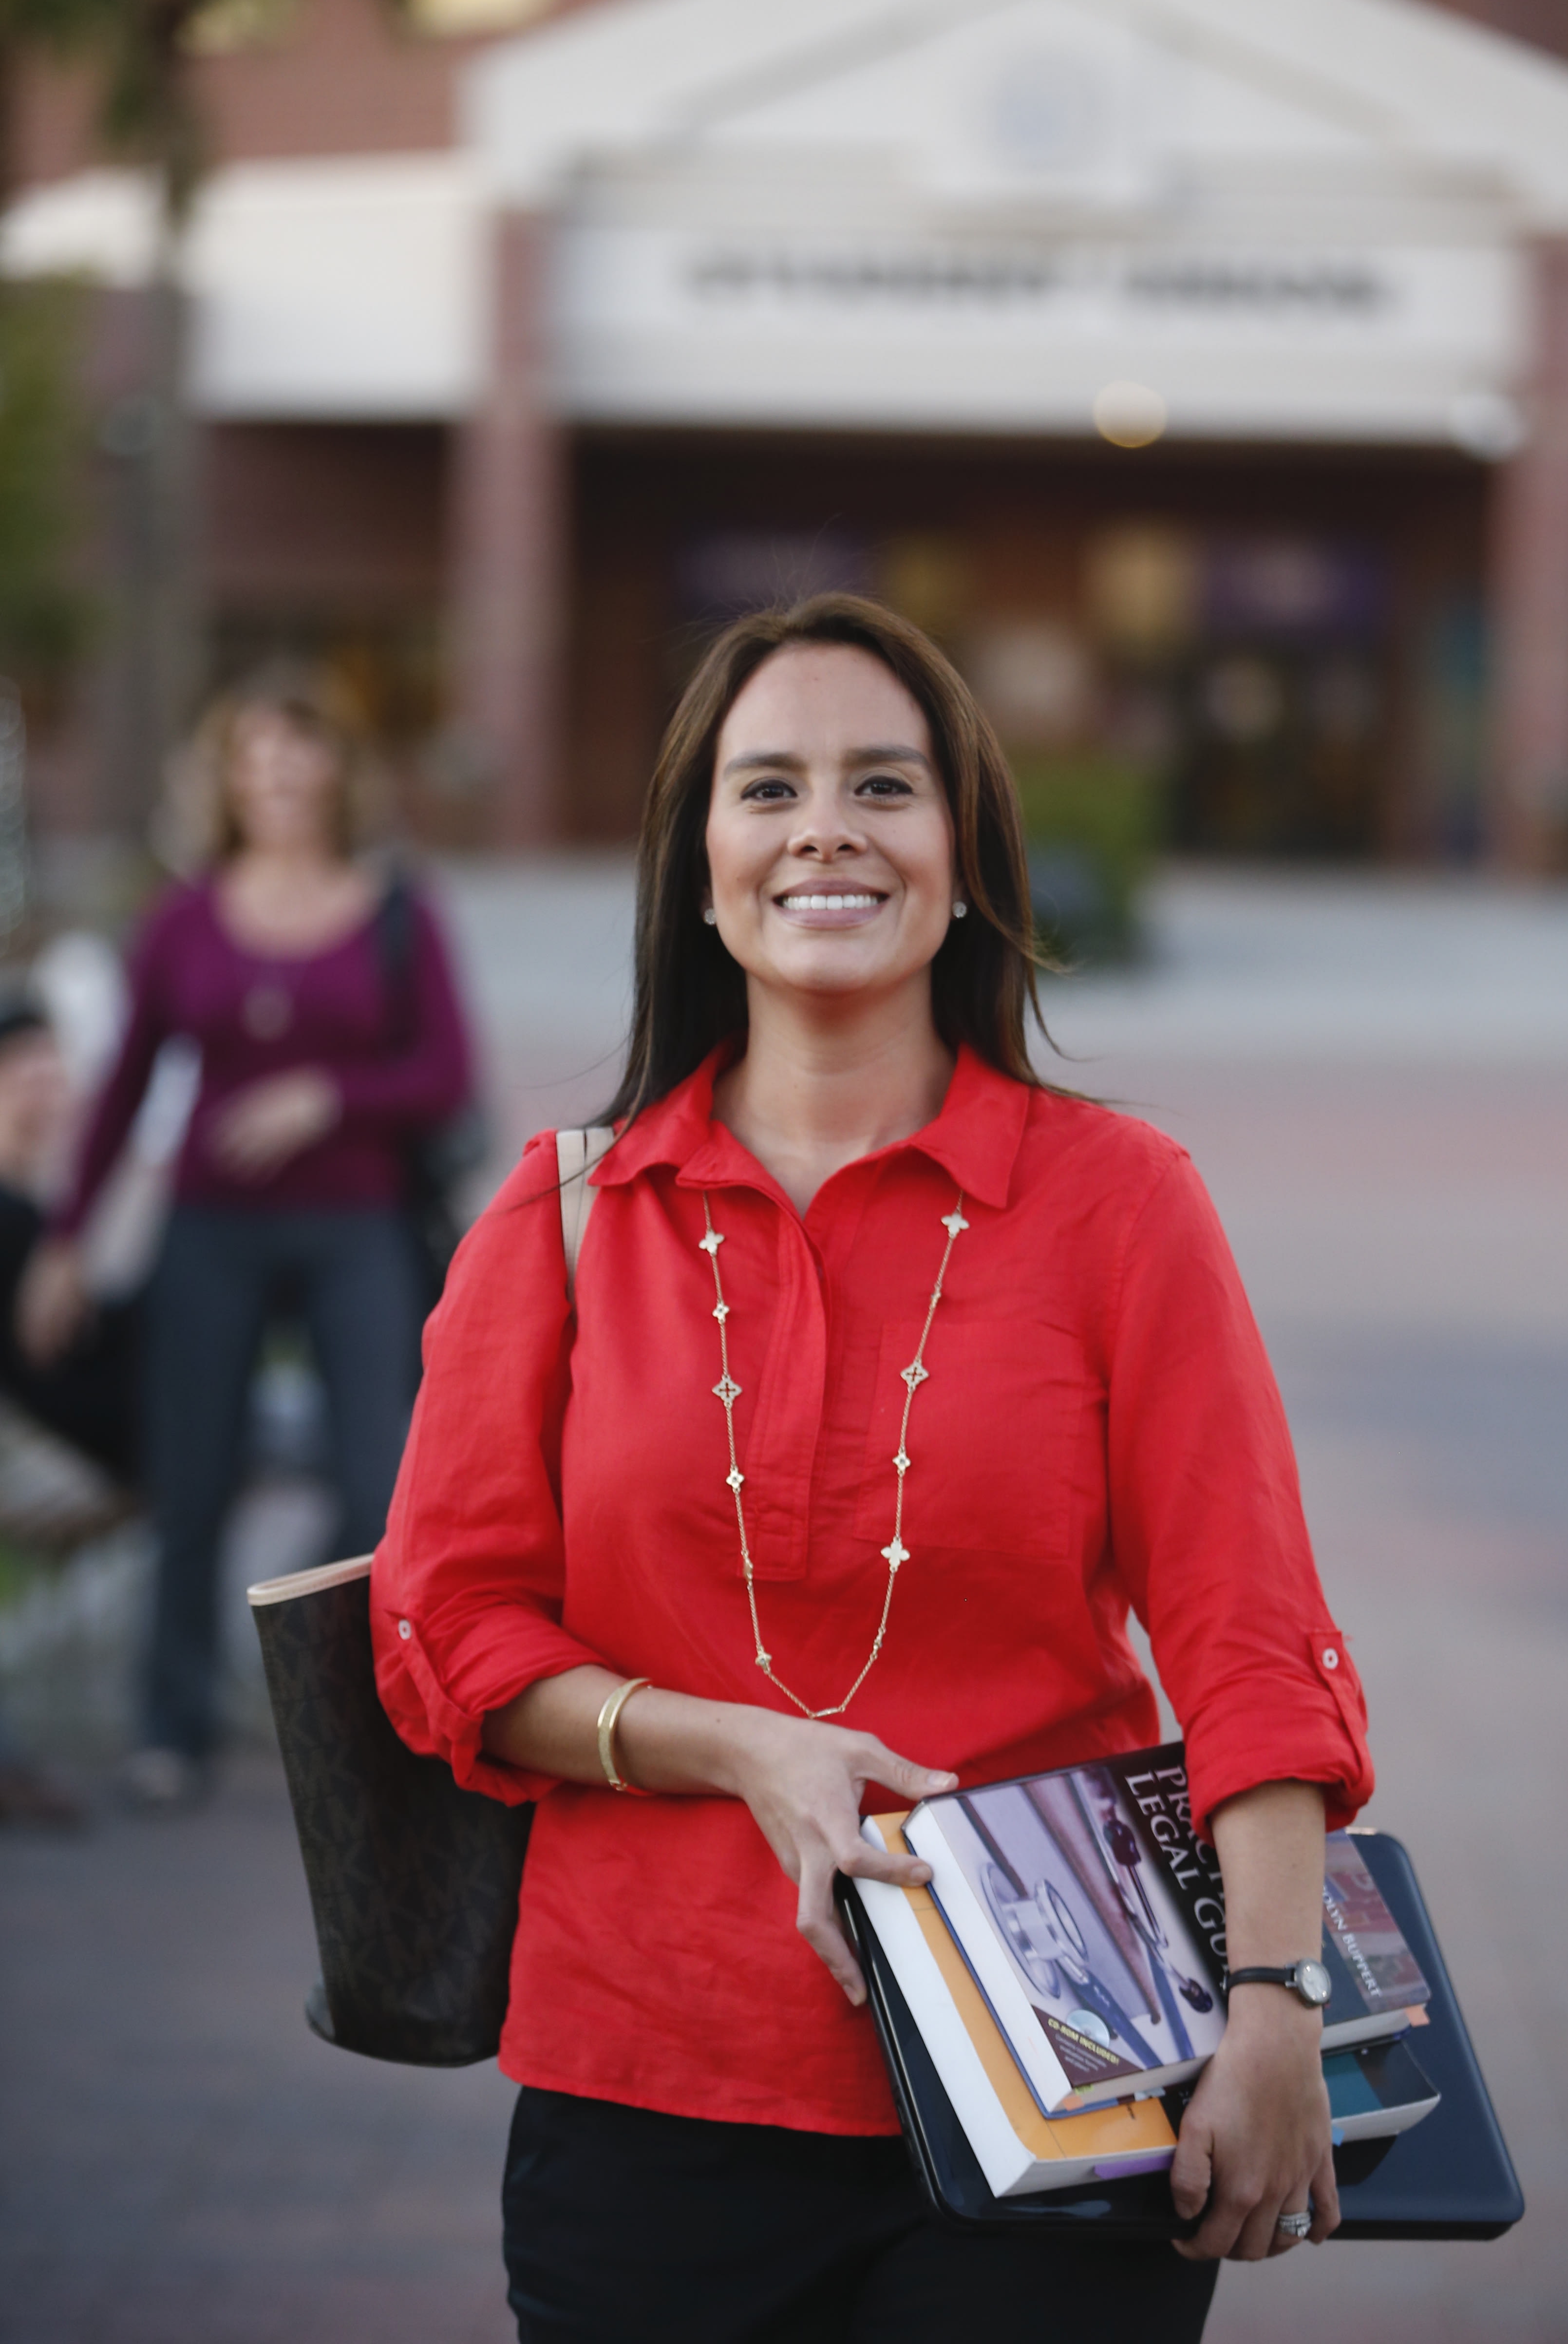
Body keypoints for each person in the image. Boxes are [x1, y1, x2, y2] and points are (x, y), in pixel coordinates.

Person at [373, 597, 1374, 2344]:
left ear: (966, 859)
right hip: (649, 2085)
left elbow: (1250, 1642)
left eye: (881, 785)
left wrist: (1277, 2000)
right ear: (699, 870)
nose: (823, 827)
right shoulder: (563, 1213)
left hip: (1071, 2078)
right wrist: (736, 1743)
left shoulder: (1120, 1202)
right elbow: (444, 1630)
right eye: (767, 788)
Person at [20, 669, 473, 1807]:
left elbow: (445, 1071)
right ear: (226, 778)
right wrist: (69, 1240)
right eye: (252, 755)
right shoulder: (179, 918)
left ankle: (355, 1719)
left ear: (335, 769)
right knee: (193, 1480)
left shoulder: (394, 909)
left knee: (380, 1484)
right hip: (209, 1229)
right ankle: (168, 1729)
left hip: (355, 1223)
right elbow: (124, 1086)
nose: (275, 773)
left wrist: (328, 1096)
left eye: (297, 750)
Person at [0, 994, 140, 1825]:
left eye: (58, 1071)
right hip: (41, 1461)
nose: (50, 1090)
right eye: (28, 1072)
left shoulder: (41, 1215)